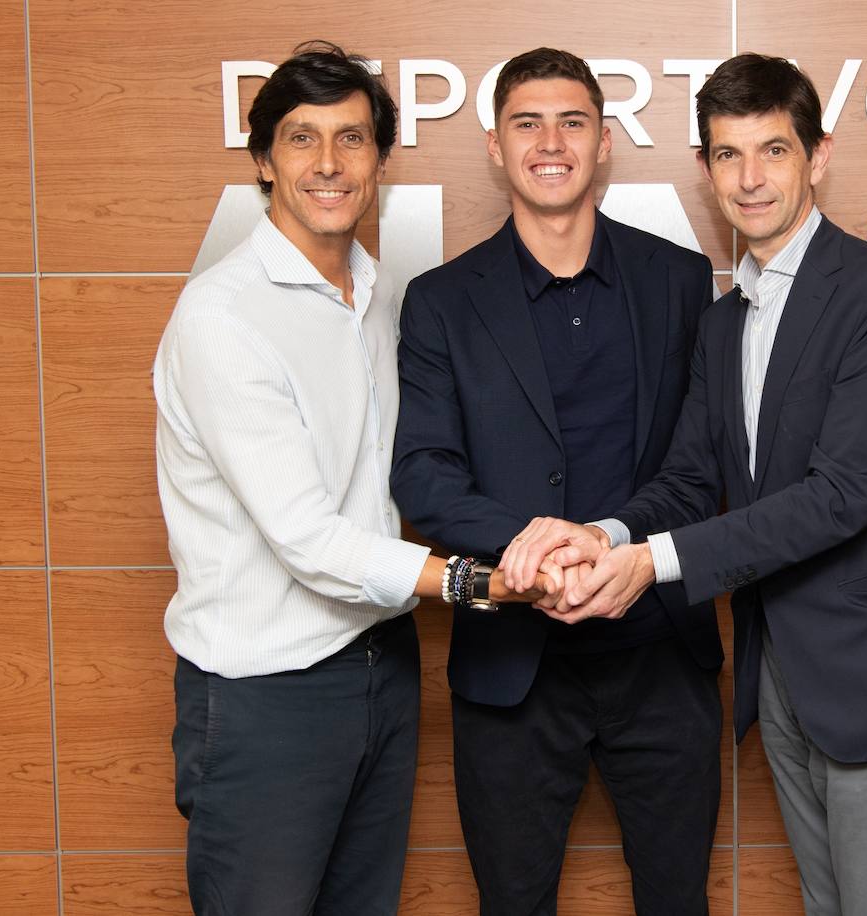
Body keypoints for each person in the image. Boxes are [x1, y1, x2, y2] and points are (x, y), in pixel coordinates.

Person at [503, 53, 867, 916]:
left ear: (819, 154)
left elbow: (844, 492)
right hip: (787, 680)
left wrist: (652, 566)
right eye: (728, 155)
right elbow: (692, 476)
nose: (751, 178)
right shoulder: (726, 321)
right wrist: (606, 538)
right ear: (704, 170)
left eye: (773, 150)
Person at [153, 42, 546, 916]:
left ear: (378, 160)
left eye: (352, 139)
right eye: (301, 140)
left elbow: (406, 477)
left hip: (381, 672)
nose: (328, 165)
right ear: (263, 160)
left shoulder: (375, 296)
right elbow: (305, 536)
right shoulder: (224, 318)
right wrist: (480, 581)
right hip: (266, 700)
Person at [389, 47, 723, 916]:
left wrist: (609, 543)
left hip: (661, 658)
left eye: (571, 121)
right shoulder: (439, 300)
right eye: (526, 123)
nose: (550, 142)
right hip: (511, 668)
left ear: (604, 142)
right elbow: (422, 477)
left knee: (677, 901)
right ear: (496, 148)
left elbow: (703, 468)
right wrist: (531, 551)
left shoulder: (680, 282)